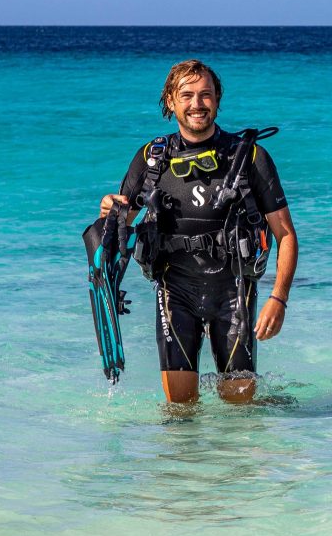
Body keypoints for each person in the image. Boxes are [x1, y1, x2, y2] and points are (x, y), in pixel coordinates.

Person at [98, 59, 298, 403]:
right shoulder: (151, 158)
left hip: (234, 292)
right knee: (179, 413)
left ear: (217, 99)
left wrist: (278, 299)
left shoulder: (249, 156)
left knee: (241, 412)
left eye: (205, 95)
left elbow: (286, 235)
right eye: (186, 95)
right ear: (170, 101)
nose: (196, 104)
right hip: (175, 293)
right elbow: (120, 223)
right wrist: (108, 208)